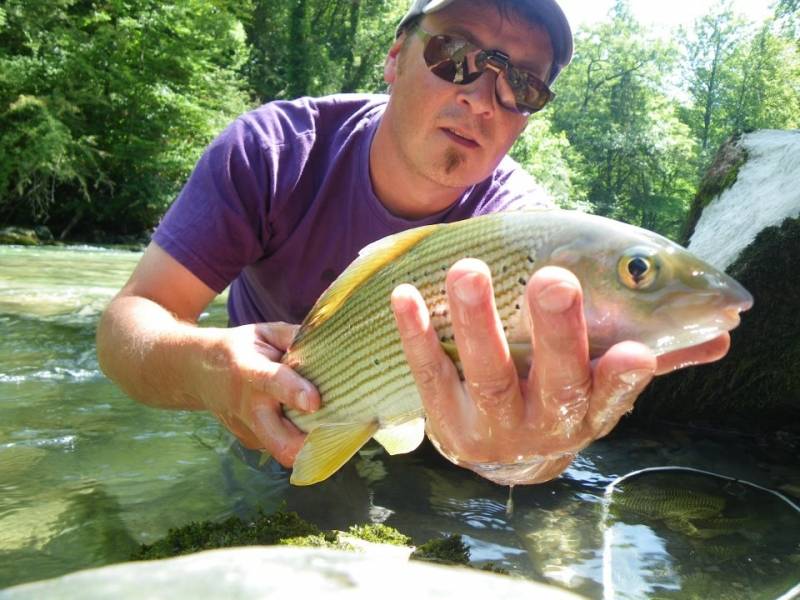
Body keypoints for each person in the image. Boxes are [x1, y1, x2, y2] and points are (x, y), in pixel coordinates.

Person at [96, 0, 730, 485]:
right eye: (455, 54)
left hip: (439, 449)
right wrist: (211, 370)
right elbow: (129, 324)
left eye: (522, 85)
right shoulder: (273, 154)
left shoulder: (528, 233)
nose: (482, 98)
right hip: (270, 420)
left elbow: (533, 450)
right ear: (395, 57)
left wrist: (536, 452)